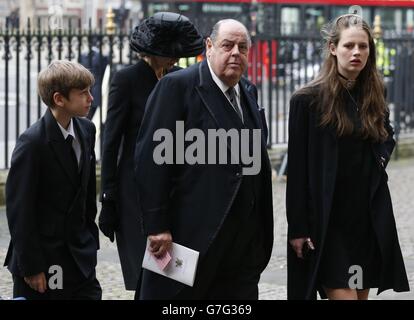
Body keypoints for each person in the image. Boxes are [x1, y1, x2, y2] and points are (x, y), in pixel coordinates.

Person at [134, 19, 274, 300]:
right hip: (190, 235)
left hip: (242, 244)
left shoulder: (248, 91)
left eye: (243, 47)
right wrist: (157, 226)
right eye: (227, 45)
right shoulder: (177, 86)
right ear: (209, 47)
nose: (236, 52)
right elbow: (151, 161)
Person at [286, 14, 409, 300]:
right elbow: (298, 171)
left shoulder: (375, 93)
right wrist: (298, 228)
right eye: (349, 46)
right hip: (328, 221)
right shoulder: (307, 100)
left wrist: (378, 160)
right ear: (332, 48)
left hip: (365, 218)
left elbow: (386, 135)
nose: (356, 53)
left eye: (363, 47)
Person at [98, 12, 204, 291]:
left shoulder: (181, 78)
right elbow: (111, 140)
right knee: (145, 269)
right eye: (168, 54)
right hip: (134, 190)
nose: (175, 60)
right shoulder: (127, 79)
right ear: (152, 51)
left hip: (175, 186)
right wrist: (108, 195)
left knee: (174, 272)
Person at [4, 60, 101, 300]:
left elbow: (87, 192)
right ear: (59, 99)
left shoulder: (87, 130)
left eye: (90, 90)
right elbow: (19, 211)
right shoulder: (32, 143)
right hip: (44, 262)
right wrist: (32, 267)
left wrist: (90, 238)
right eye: (83, 93)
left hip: (79, 256)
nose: (91, 98)